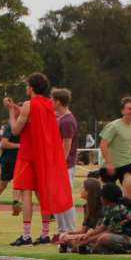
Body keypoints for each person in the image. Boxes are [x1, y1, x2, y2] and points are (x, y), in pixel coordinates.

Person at [5, 73, 73, 246]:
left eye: (27, 86)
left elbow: (15, 130)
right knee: (42, 193)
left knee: (26, 193)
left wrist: (11, 113)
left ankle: (26, 235)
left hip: (28, 155)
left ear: (32, 87)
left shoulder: (29, 104)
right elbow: (38, 122)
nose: (26, 88)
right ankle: (45, 233)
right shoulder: (50, 104)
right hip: (45, 156)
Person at [98, 96, 131, 201]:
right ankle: (106, 215)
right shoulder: (113, 126)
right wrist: (109, 163)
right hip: (110, 166)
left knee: (128, 189)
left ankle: (127, 214)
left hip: (127, 164)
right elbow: (103, 145)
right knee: (107, 197)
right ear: (123, 111)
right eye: (129, 108)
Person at [52, 89, 80, 237]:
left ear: (58, 101)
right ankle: (62, 230)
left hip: (65, 166)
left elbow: (66, 147)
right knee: (57, 198)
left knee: (65, 198)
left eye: (52, 100)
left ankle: (69, 230)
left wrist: (59, 166)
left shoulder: (68, 121)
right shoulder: (61, 118)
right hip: (59, 166)